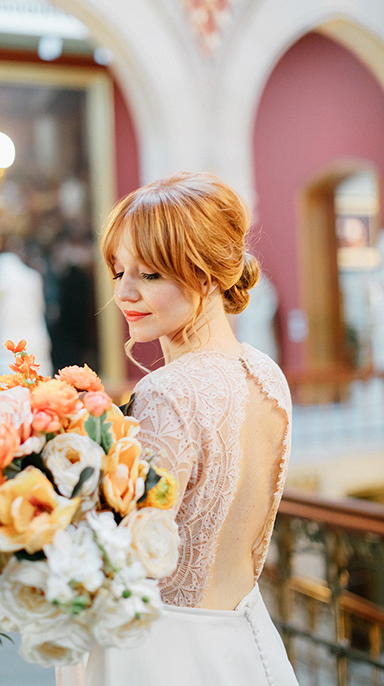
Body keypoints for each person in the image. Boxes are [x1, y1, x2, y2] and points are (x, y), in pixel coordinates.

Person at [56, 172, 298, 685]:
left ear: (207, 275)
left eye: (149, 275)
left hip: (163, 656)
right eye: (119, 271)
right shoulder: (267, 374)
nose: (124, 293)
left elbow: (122, 560)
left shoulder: (168, 393)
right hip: (246, 642)